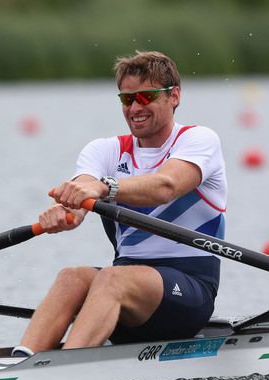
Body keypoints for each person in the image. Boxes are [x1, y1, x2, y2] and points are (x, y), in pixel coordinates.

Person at [12, 50, 227, 357]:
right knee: (71, 277)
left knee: (111, 279)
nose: (135, 107)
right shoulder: (105, 150)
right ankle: (23, 360)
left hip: (188, 293)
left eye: (146, 96)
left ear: (174, 96)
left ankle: (61, 373)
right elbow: (84, 187)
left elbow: (166, 187)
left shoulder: (199, 140)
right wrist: (67, 211)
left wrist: (104, 188)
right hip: (124, 295)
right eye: (127, 99)